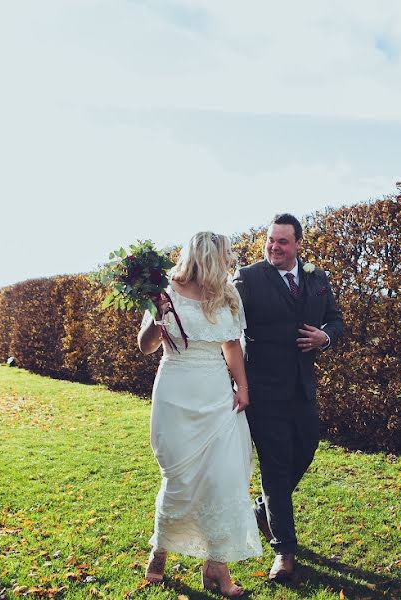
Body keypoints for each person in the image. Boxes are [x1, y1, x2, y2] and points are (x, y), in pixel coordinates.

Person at [138, 232, 262, 597]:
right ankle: (159, 550)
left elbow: (231, 346)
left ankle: (216, 568)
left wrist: (243, 387)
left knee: (224, 480)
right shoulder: (166, 291)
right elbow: (145, 347)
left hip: (217, 398)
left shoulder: (226, 294)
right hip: (175, 394)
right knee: (180, 481)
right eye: (225, 256)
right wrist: (157, 318)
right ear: (207, 258)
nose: (230, 261)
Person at [233, 213, 344, 581]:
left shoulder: (316, 278)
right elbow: (227, 327)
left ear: (298, 245)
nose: (274, 247)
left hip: (302, 388)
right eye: (270, 240)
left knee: (306, 449)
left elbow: (335, 320)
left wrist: (323, 337)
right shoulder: (247, 278)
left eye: (283, 241)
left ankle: (264, 509)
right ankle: (284, 553)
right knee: (276, 468)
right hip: (262, 391)